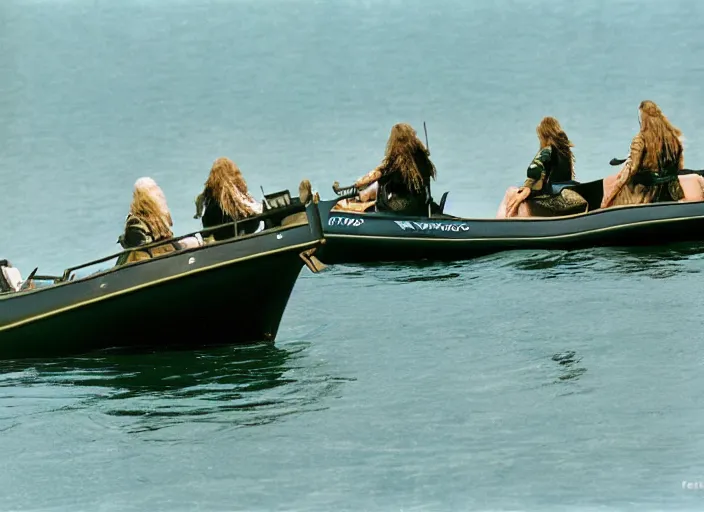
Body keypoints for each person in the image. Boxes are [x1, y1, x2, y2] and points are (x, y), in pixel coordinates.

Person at [601, 100, 693, 208]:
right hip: (671, 191)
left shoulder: (640, 139)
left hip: (646, 193)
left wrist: (611, 195)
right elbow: (678, 166)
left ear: (643, 119)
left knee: (610, 184)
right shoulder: (673, 138)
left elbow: (631, 169)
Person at [335, 123, 437, 216]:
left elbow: (373, 176)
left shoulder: (396, 163)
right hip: (419, 205)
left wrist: (356, 184)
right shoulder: (422, 158)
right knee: (373, 194)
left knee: (341, 204)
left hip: (399, 208)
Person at [498, 117, 588, 218]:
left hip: (553, 195)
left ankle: (503, 220)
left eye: (539, 137)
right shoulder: (565, 151)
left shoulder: (547, 150)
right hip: (565, 189)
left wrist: (527, 187)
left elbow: (535, 167)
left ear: (544, 135)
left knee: (511, 191)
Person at [194, 157, 263, 241]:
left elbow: (207, 226)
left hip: (221, 238)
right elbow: (252, 218)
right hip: (241, 234)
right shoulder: (237, 197)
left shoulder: (210, 201)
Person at [117, 177, 180, 265]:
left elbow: (170, 240)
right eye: (153, 189)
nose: (159, 192)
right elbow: (140, 247)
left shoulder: (159, 217)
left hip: (163, 253)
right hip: (147, 259)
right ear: (144, 196)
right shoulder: (135, 221)